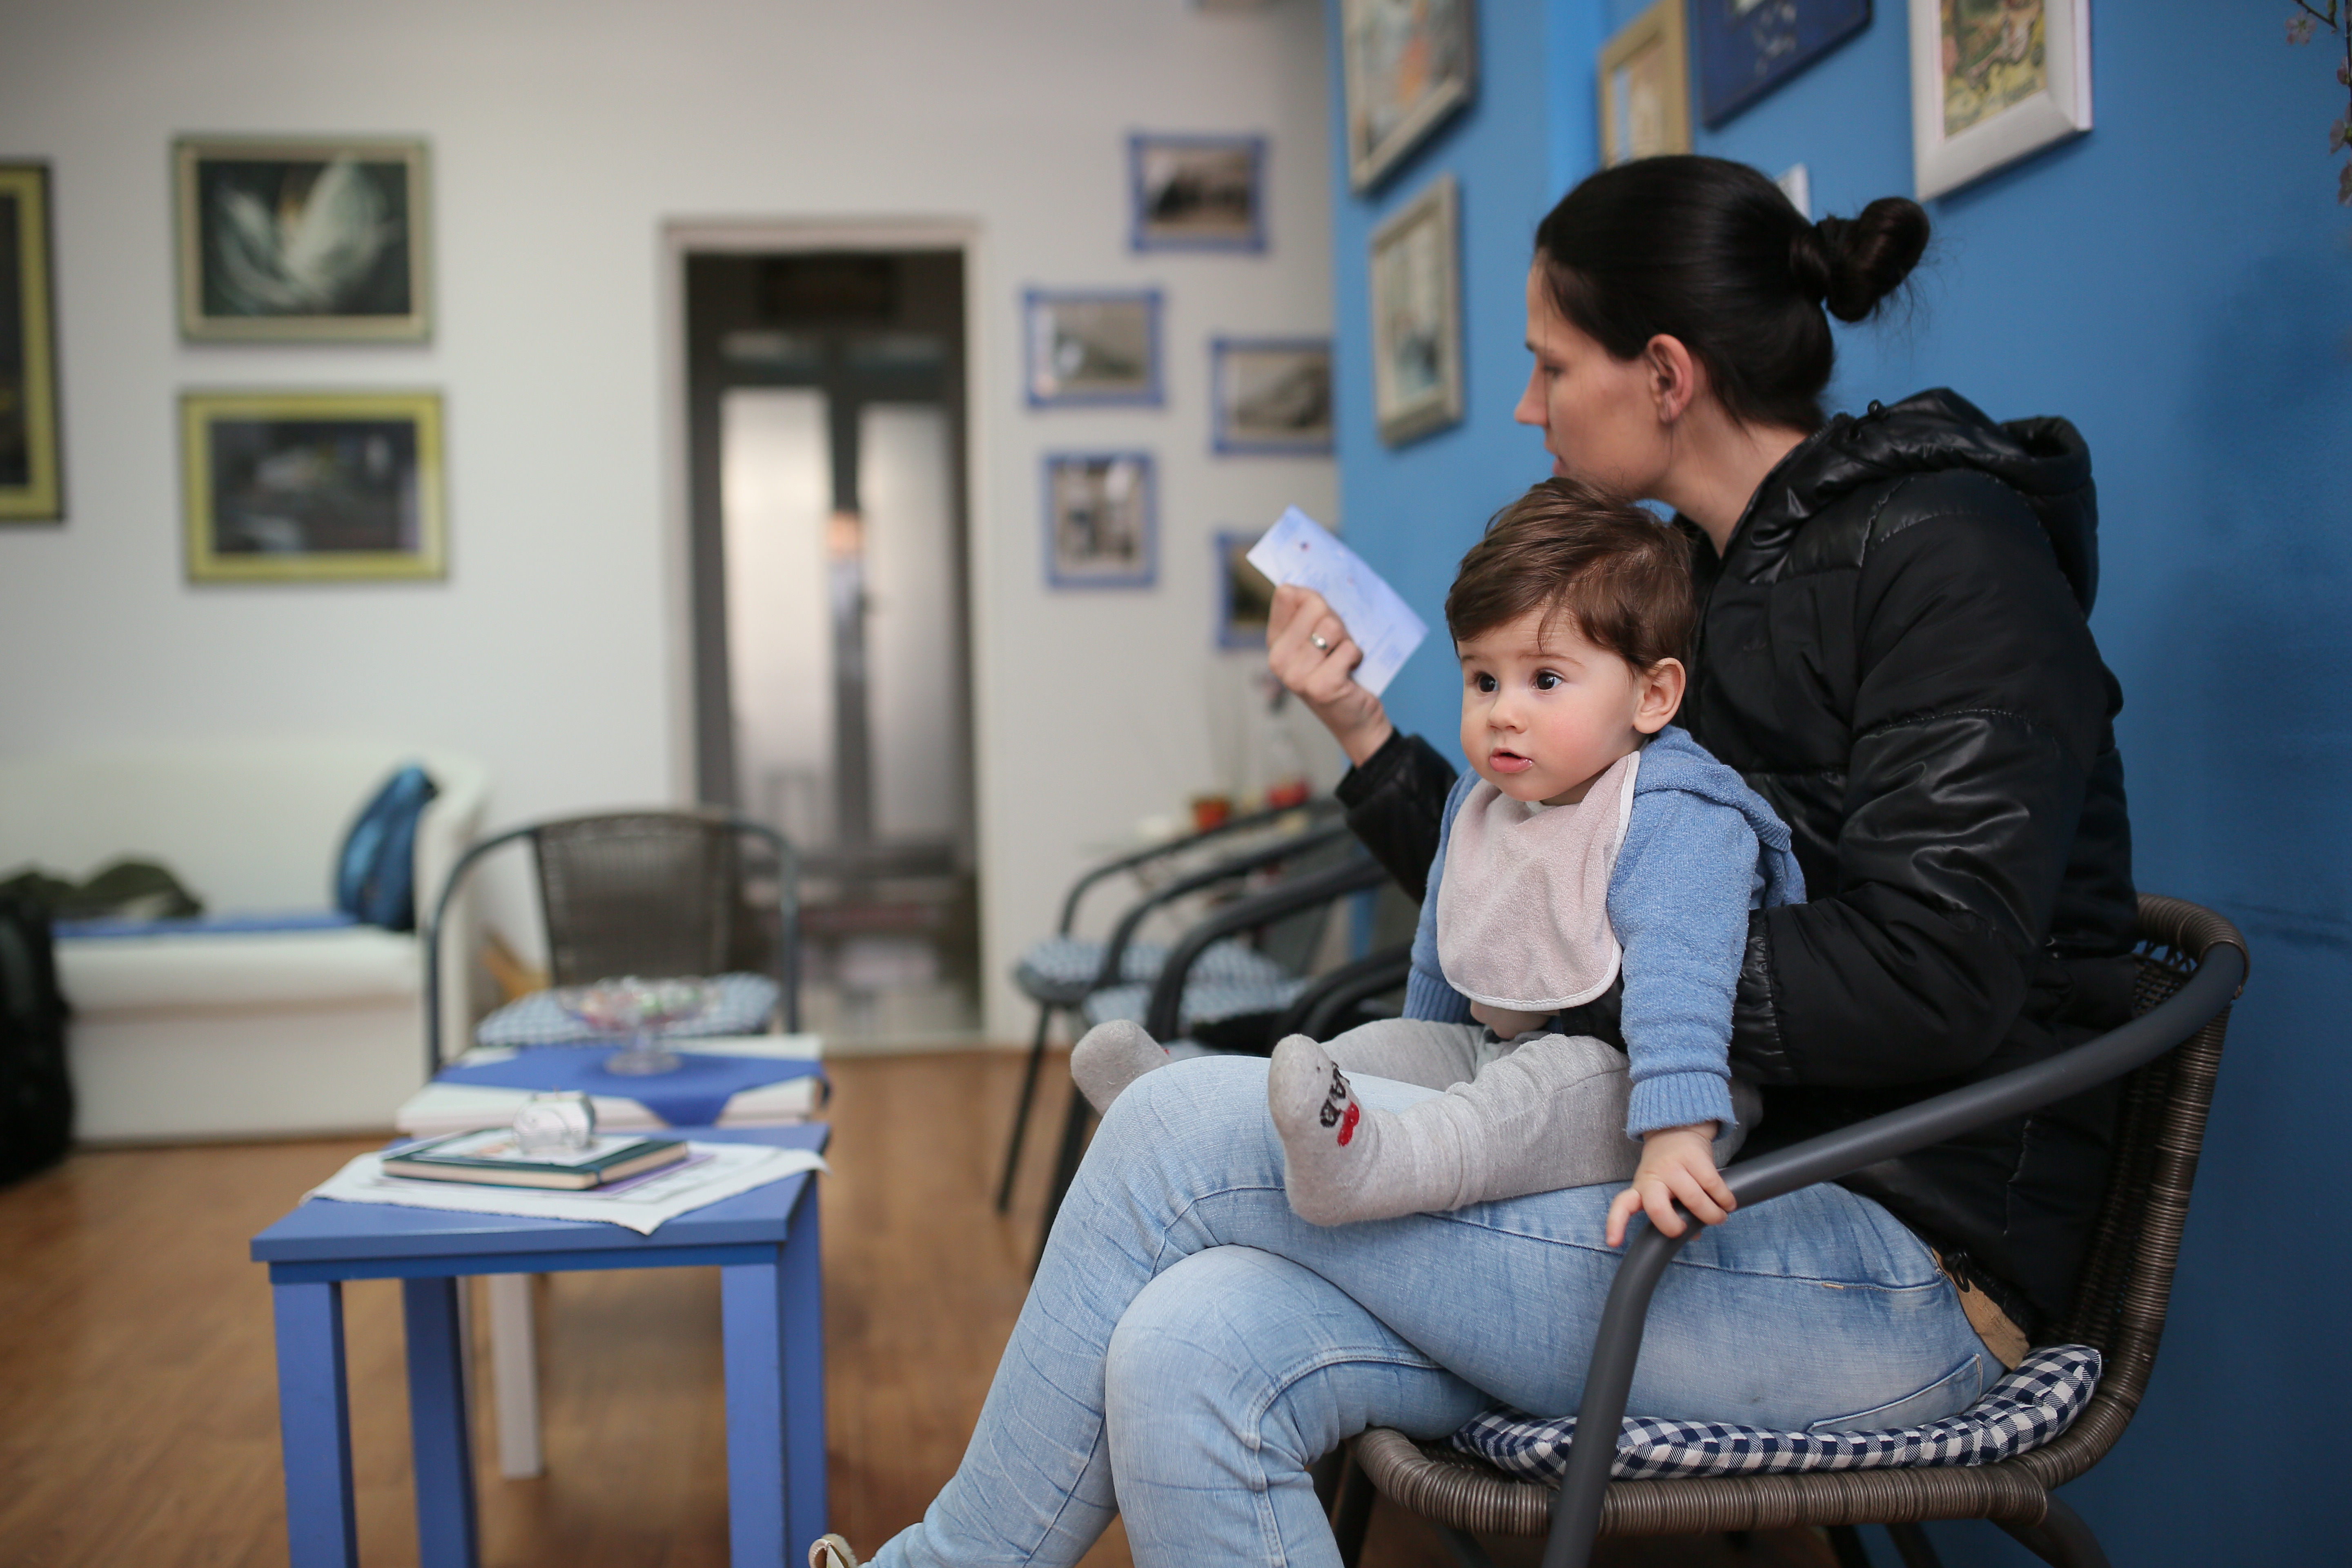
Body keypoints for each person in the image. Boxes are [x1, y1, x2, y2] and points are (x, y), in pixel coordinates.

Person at [809, 154, 2133, 1568]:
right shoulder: (1709, 573)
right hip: (1682, 1187)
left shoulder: (1947, 560)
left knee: (1166, 1139)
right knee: (1182, 1348)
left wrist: (1591, 972)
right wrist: (1366, 734)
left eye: (1549, 364)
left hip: (1902, 1261)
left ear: (1666, 374)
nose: (1524, 405)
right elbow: (1559, 875)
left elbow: (1931, 975)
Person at [1068, 480, 1804, 1241]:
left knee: (1528, 1093)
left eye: (1545, 680)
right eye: (1483, 679)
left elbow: (1682, 978)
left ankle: (1372, 1167)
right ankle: (1182, 1109)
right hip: (1504, 1049)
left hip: (1645, 1086)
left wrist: (1680, 1134)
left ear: (1653, 696)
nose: (1502, 711)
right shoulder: (1480, 801)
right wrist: (1407, 1067)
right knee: (1357, 1054)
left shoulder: (1678, 811)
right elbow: (1440, 948)